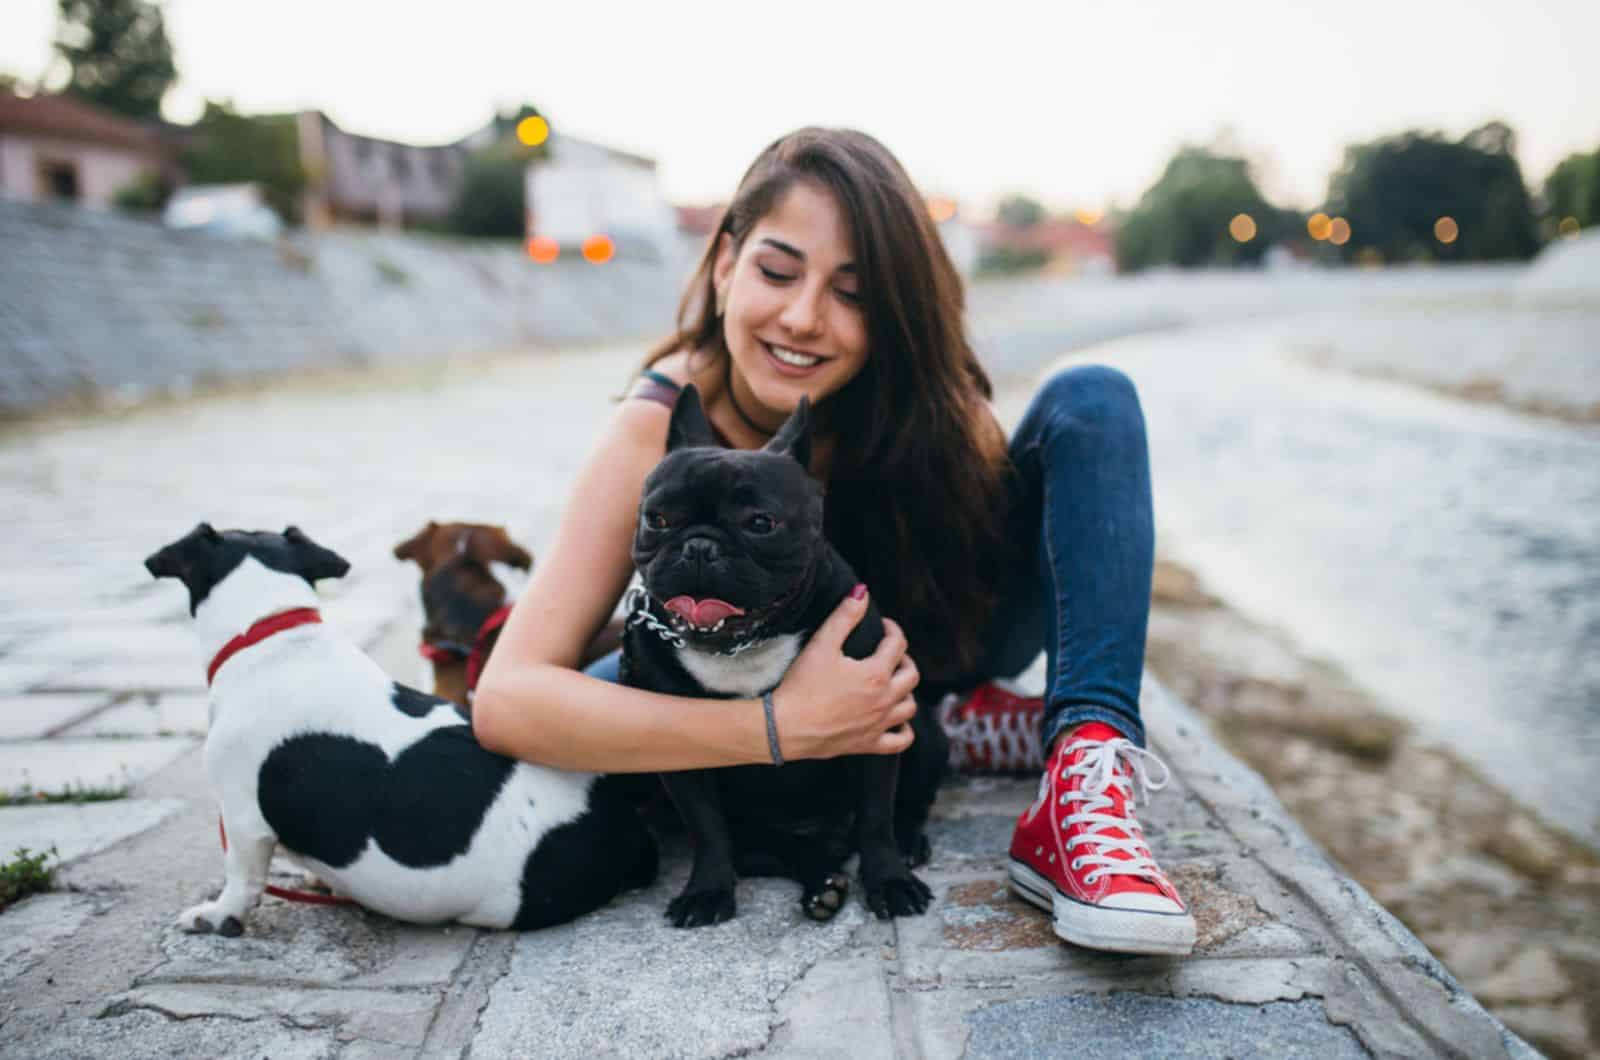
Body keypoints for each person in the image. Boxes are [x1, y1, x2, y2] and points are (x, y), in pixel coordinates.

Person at [474, 127, 1196, 955]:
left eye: (853, 293)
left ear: (893, 314)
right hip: (740, 668)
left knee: (1094, 395)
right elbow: (509, 698)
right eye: (778, 272)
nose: (804, 317)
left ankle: (1079, 779)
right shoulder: (657, 428)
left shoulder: (926, 401)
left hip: (947, 641)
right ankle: (959, 723)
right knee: (603, 693)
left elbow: (1031, 551)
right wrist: (785, 726)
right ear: (723, 268)